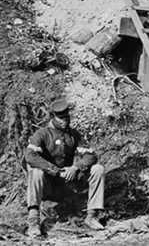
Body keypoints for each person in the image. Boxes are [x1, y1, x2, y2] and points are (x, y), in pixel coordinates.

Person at [25, 98, 105, 237]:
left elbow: (91, 156)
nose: (65, 120)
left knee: (98, 169)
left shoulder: (74, 134)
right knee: (35, 170)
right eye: (61, 118)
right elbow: (30, 156)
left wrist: (75, 167)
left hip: (68, 185)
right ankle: (33, 221)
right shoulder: (42, 134)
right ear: (52, 117)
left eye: (67, 117)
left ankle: (92, 216)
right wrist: (54, 171)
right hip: (48, 185)